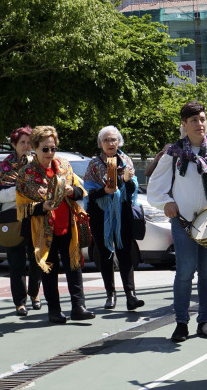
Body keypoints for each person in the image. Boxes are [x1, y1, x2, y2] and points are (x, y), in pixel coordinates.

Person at [148, 101, 207, 342]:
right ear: (184, 125)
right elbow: (157, 185)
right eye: (194, 121)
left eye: (202, 119)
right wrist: (166, 202)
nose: (200, 124)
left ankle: (205, 320)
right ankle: (181, 322)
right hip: (183, 222)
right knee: (185, 272)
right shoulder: (174, 152)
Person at [16, 126, 94, 324]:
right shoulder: (26, 173)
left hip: (68, 225)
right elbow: (22, 209)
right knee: (49, 270)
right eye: (45, 149)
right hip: (43, 230)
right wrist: (42, 206)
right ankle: (54, 310)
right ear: (34, 148)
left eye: (53, 148)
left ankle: (78, 307)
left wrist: (71, 191)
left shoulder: (64, 166)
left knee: (74, 267)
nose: (50, 153)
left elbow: (80, 190)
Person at [84, 126, 144, 311]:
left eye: (114, 140)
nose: (111, 143)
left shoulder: (126, 160)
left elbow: (133, 191)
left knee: (125, 253)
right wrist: (105, 191)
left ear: (119, 142)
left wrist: (127, 181)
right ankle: (110, 294)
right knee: (105, 253)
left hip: (122, 211)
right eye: (106, 140)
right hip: (100, 214)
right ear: (100, 143)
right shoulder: (94, 164)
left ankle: (131, 295)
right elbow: (89, 193)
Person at [0, 126, 42, 316]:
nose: (26, 145)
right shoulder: (6, 166)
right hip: (14, 220)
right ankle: (19, 302)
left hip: (36, 217)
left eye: (29, 142)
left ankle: (35, 294)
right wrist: (20, 191)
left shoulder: (39, 163)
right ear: (14, 144)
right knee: (16, 263)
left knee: (37, 259)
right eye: (22, 142)